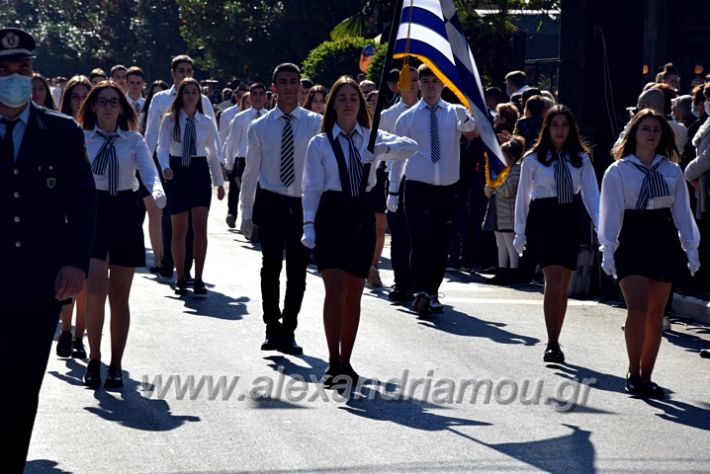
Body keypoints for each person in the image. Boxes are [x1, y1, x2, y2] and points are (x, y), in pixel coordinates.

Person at [0, 28, 96, 472]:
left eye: (22, 69)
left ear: (34, 73)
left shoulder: (60, 132)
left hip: (38, 284)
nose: (14, 78)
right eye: (3, 71)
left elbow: (82, 202)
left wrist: (76, 263)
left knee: (21, 389)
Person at [301, 76, 417, 386]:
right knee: (334, 290)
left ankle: (347, 362)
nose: (349, 103)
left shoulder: (370, 137)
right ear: (333, 105)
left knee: (353, 295)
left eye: (354, 98)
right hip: (331, 215)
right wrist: (308, 225)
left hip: (362, 216)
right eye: (342, 98)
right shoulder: (320, 142)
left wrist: (380, 149)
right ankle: (332, 359)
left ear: (361, 105)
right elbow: (311, 188)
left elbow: (411, 147)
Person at [600, 108, 699, 398]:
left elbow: (682, 211)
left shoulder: (671, 170)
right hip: (632, 236)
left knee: (656, 312)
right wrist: (607, 248)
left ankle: (647, 375)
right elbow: (610, 212)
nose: (651, 134)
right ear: (634, 133)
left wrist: (691, 247)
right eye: (646, 129)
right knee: (638, 308)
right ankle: (633, 370)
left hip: (662, 237)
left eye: (656, 129)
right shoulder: (618, 170)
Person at [78, 81, 165, 388]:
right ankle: (94, 358)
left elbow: (148, 171)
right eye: (102, 102)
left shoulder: (133, 140)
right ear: (92, 106)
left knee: (119, 296)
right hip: (94, 212)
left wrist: (156, 191)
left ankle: (116, 363)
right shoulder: (83, 138)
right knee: (96, 292)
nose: (108, 107)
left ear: (122, 107)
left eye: (114, 102)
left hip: (125, 212)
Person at [239, 63, 322, 354]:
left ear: (301, 87)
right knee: (270, 266)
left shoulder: (315, 123)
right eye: (283, 82)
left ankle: (289, 329)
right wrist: (246, 214)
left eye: (293, 82)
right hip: (271, 201)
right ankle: (271, 327)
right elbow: (250, 172)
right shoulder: (259, 126)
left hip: (303, 204)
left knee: (298, 271)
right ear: (274, 88)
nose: (289, 87)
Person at [388, 63, 476, 316]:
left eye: (434, 82)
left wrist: (466, 118)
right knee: (420, 241)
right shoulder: (408, 117)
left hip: (447, 187)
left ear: (442, 84)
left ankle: (433, 291)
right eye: (424, 82)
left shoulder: (454, 112)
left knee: (440, 243)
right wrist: (394, 191)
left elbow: (471, 130)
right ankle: (421, 291)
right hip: (417, 186)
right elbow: (399, 155)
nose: (429, 87)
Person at [514, 104, 600, 363]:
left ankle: (556, 335)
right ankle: (551, 343)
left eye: (564, 125)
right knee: (552, 279)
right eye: (554, 125)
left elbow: (591, 196)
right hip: (543, 218)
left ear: (571, 129)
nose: (560, 130)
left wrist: (602, 228)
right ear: (547, 128)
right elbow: (522, 198)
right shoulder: (533, 158)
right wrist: (520, 232)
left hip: (569, 218)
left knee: (563, 284)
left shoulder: (581, 159)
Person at [144, 54, 217, 281]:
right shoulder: (160, 100)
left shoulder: (202, 100)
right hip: (167, 160)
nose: (185, 74)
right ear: (172, 73)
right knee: (170, 215)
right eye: (180, 70)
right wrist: (146, 163)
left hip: (194, 165)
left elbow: (212, 134)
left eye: (189, 70)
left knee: (192, 222)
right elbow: (152, 134)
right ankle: (168, 260)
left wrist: (218, 168)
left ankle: (185, 267)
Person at [157, 77, 225, 297]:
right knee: (179, 230)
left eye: (194, 92)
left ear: (200, 96)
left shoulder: (206, 121)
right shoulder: (170, 120)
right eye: (186, 92)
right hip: (178, 171)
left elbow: (214, 153)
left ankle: (198, 278)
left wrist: (219, 182)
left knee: (200, 229)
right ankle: (180, 279)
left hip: (198, 171)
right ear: (180, 95)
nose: (190, 96)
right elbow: (162, 148)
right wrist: (166, 167)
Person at [383, 66, 420, 302]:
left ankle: (420, 284)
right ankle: (401, 282)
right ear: (398, 85)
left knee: (421, 236)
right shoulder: (388, 116)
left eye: (416, 79)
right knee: (400, 236)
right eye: (408, 80)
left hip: (422, 180)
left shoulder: (429, 112)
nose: (413, 84)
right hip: (396, 180)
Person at [223, 82, 267, 229]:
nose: (258, 97)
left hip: (266, 161)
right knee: (247, 191)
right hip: (244, 160)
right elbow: (232, 142)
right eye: (255, 94)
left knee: (262, 192)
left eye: (261, 94)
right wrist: (229, 164)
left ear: (266, 97)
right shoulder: (240, 118)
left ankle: (257, 223)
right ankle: (246, 221)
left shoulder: (271, 118)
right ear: (250, 97)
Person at [484, 136, 525, 285]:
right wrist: (492, 185)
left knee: (510, 244)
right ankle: (502, 271)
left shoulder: (516, 171)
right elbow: (488, 191)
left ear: (512, 158)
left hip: (508, 214)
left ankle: (513, 272)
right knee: (500, 243)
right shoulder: (502, 171)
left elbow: (508, 191)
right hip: (498, 214)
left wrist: (495, 185)